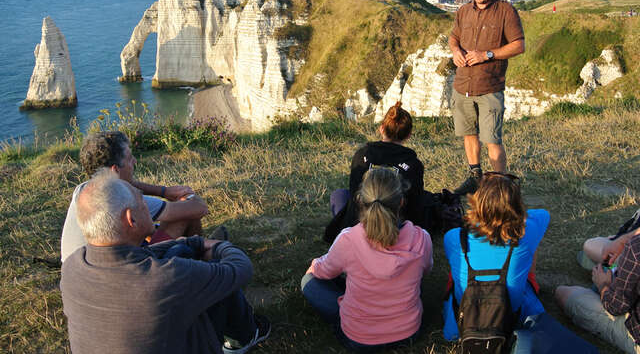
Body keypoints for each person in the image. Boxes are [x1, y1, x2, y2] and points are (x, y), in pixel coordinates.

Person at [60, 169, 270, 354]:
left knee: (181, 249)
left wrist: (192, 243)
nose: (148, 208)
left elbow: (148, 253)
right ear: (131, 219)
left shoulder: (72, 267)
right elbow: (241, 268)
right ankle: (243, 337)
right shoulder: (166, 278)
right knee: (213, 273)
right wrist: (216, 246)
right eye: (142, 203)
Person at [302, 168, 433, 352]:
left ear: (359, 201)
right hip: (409, 332)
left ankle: (352, 305)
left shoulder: (348, 239)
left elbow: (323, 271)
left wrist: (315, 266)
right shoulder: (422, 238)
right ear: (401, 202)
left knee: (309, 282)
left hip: (360, 339)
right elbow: (426, 271)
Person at [60, 131, 208, 262]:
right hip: (118, 273)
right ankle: (201, 258)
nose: (134, 162)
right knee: (184, 215)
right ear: (115, 170)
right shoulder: (123, 201)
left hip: (79, 270)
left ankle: (197, 252)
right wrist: (188, 196)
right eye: (130, 158)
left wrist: (163, 191)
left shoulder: (83, 190)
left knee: (145, 228)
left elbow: (127, 183)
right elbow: (198, 209)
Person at [443, 172, 549, 341]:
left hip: (465, 318)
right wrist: (513, 212)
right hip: (511, 317)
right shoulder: (527, 232)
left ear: (477, 202)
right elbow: (543, 214)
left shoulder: (454, 237)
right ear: (516, 205)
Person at [448, 0, 525, 192]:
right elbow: (454, 37)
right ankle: (475, 176)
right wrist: (455, 52)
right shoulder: (463, 11)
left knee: (492, 139)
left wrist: (487, 54)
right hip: (463, 85)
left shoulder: (506, 12)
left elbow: (519, 45)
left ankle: (499, 186)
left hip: (489, 86)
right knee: (469, 134)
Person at [324, 101, 424, 243]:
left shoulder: (361, 155)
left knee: (339, 195)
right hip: (396, 229)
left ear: (381, 129)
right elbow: (415, 206)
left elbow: (354, 195)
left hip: (360, 225)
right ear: (408, 135)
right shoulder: (414, 165)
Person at [555, 235, 640, 353]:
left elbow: (615, 307)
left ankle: (596, 284)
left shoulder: (636, 248)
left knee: (563, 293)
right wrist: (620, 242)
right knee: (600, 251)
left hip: (634, 330)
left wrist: (603, 285)